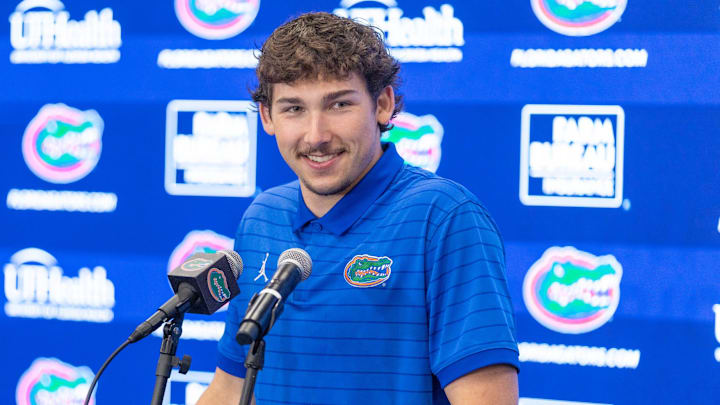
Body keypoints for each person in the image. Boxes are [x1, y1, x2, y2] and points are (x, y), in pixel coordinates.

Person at [198, 12, 518, 405]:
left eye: (338, 105)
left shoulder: (445, 218)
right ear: (267, 117)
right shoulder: (261, 217)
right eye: (294, 109)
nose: (316, 136)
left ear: (382, 105)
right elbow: (228, 390)